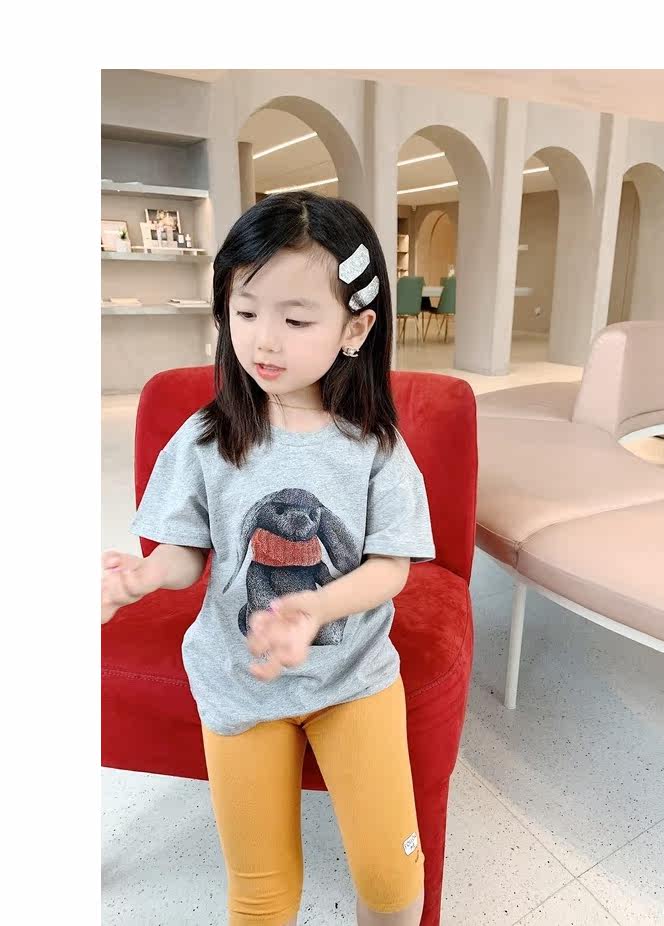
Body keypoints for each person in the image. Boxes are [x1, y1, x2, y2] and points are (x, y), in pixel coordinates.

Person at [101, 191, 435, 926]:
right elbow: (187, 553)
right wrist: (145, 575)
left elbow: (391, 568)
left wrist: (318, 605)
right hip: (239, 682)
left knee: (392, 882)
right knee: (260, 895)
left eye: (296, 319)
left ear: (356, 328)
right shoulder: (206, 436)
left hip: (352, 681)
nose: (264, 341)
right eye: (246, 312)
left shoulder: (374, 447)